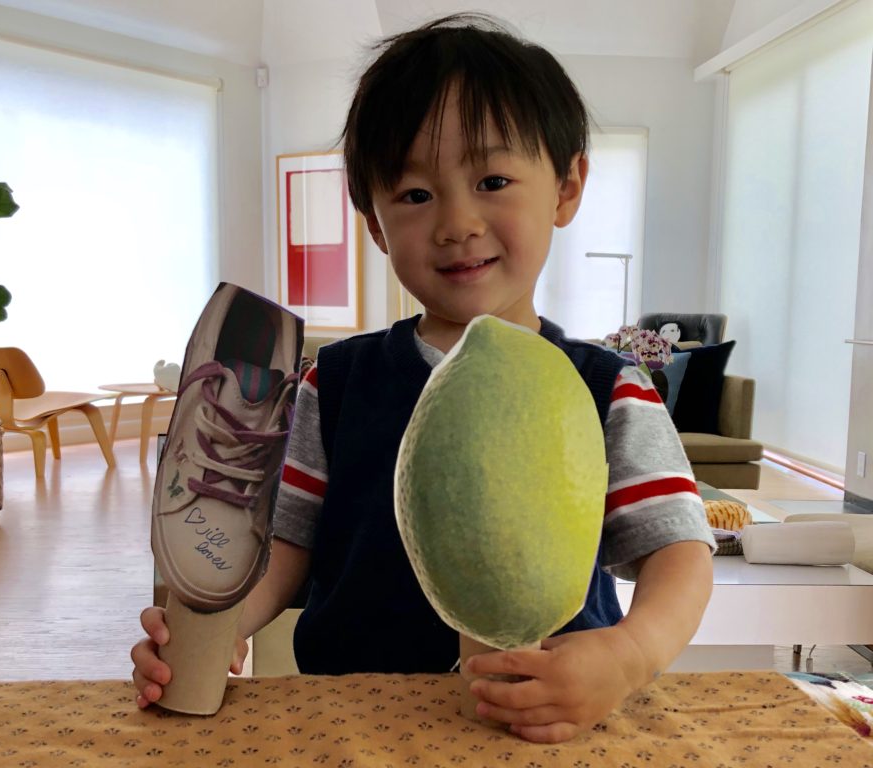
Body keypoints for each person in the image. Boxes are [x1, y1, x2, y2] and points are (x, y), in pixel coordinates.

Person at [132, 13, 715, 743]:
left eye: (493, 180)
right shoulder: (335, 382)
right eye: (414, 195)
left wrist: (629, 654)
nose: (456, 222)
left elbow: (680, 553)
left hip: (542, 725)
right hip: (349, 723)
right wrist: (222, 626)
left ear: (566, 188)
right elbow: (288, 550)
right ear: (375, 224)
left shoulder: (608, 388)